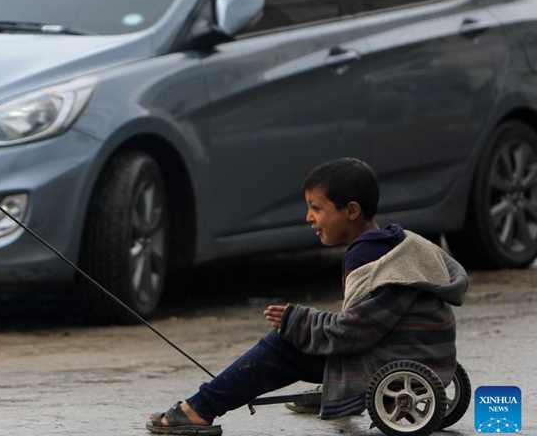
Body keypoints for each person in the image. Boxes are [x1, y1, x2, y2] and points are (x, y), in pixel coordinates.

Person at [145, 157, 469, 436]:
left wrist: (296, 320)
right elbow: (372, 318)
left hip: (392, 359)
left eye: (317, 208)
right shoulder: (397, 244)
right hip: (433, 354)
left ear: (351, 211)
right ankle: (329, 390)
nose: (309, 217)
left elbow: (353, 333)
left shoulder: (365, 256)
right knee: (299, 333)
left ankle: (200, 409)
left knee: (281, 345)